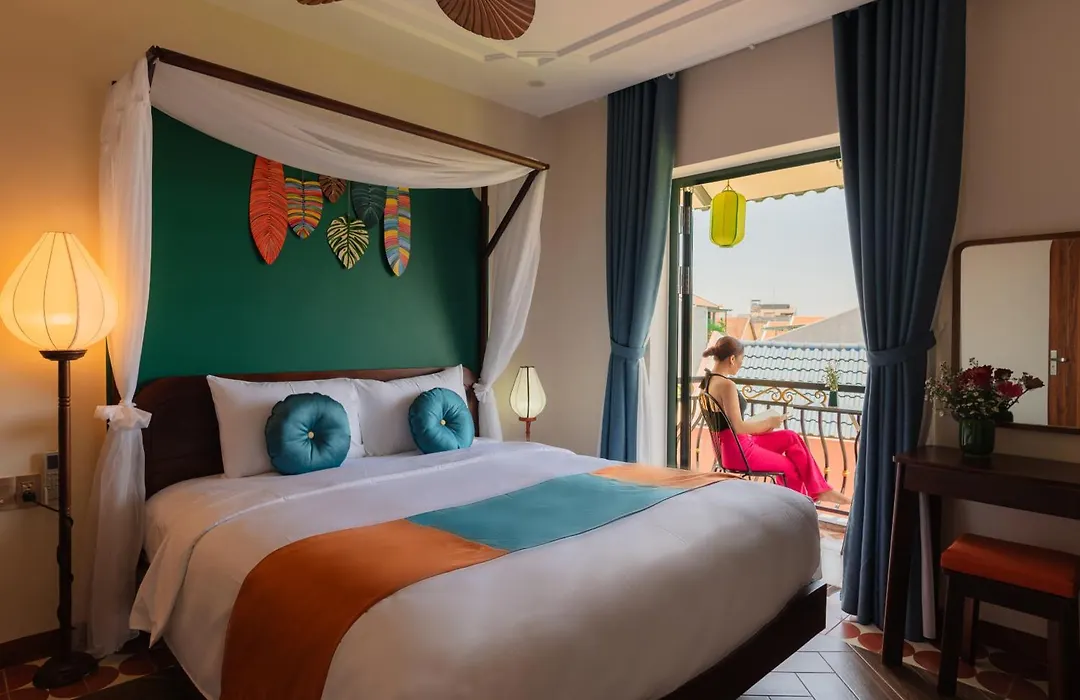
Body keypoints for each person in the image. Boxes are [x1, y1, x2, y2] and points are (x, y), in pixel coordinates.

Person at [700, 336, 851, 505]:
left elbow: (730, 425)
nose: (741, 365)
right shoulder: (727, 385)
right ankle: (795, 509)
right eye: (741, 360)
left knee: (790, 437)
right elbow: (738, 427)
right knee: (790, 468)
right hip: (739, 452)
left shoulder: (708, 382)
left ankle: (820, 490)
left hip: (733, 447)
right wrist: (768, 422)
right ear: (732, 359)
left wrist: (763, 425)